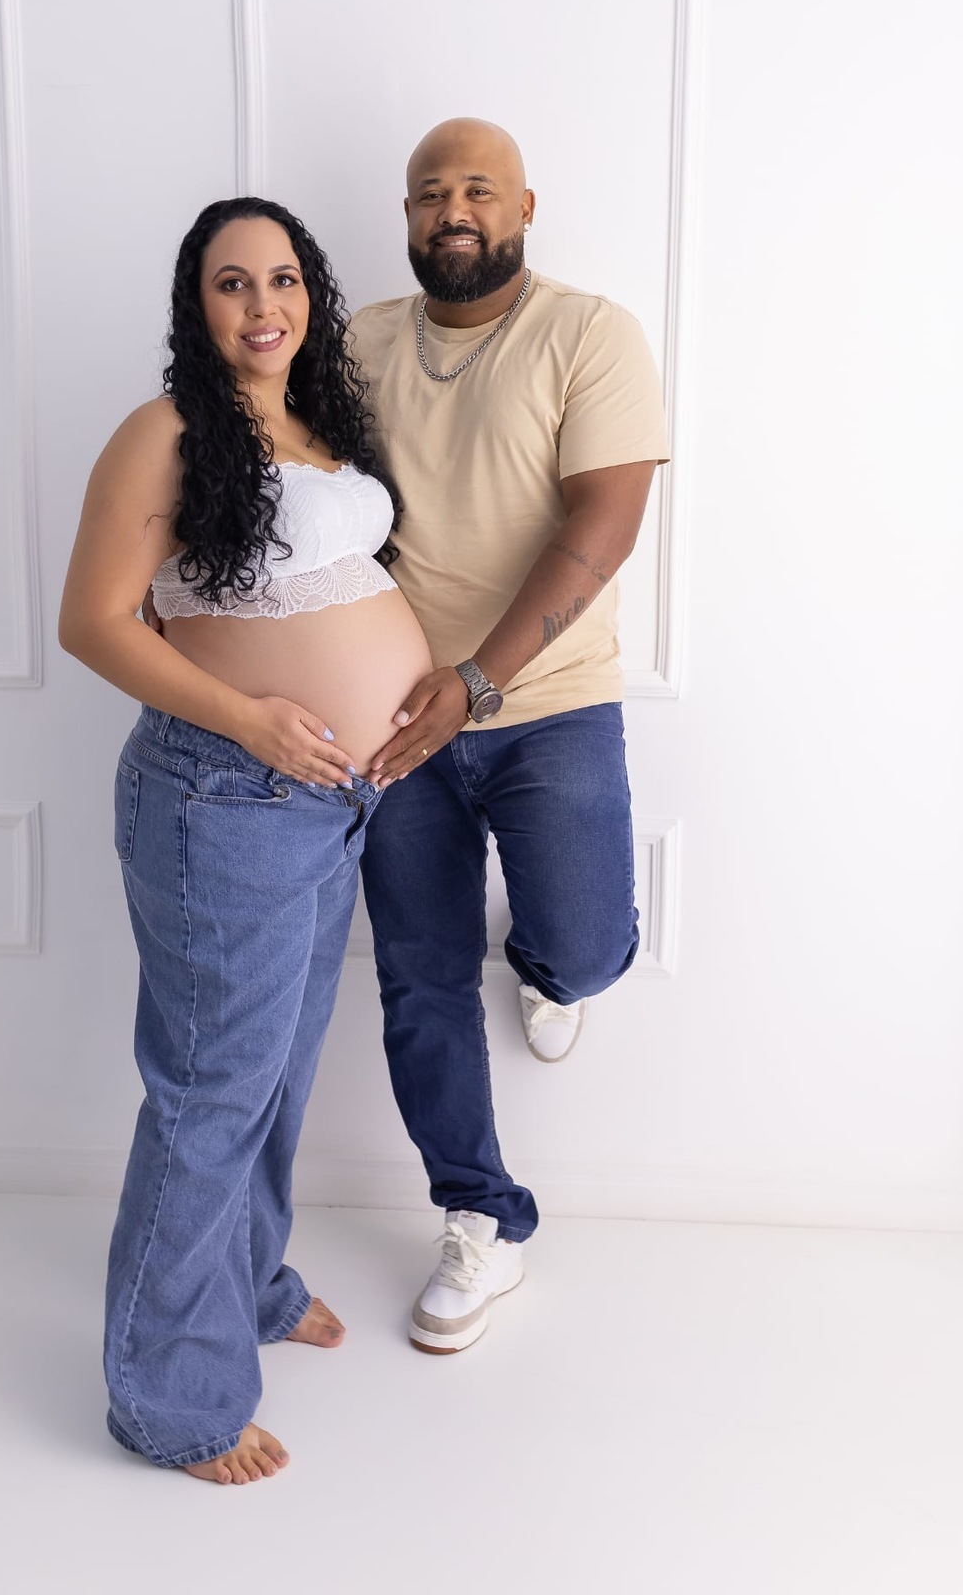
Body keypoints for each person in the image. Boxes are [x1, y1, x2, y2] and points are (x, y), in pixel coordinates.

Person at [58, 196, 431, 1483]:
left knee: (271, 1078)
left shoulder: (322, 427)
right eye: (232, 283)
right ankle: (169, 1401)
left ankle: (252, 1283)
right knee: (210, 1096)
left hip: (333, 804)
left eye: (283, 278)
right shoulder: (162, 434)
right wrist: (260, 723)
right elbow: (95, 623)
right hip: (225, 798)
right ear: (195, 303)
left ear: (310, 294)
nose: (262, 305)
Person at [350, 118, 670, 1354]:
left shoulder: (590, 334)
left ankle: (545, 964)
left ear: (525, 206)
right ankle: (483, 1222)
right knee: (421, 974)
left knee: (592, 948)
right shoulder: (364, 341)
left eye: (477, 187)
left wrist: (477, 681)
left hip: (546, 703)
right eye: (429, 192)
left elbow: (601, 526)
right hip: (394, 716)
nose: (451, 208)